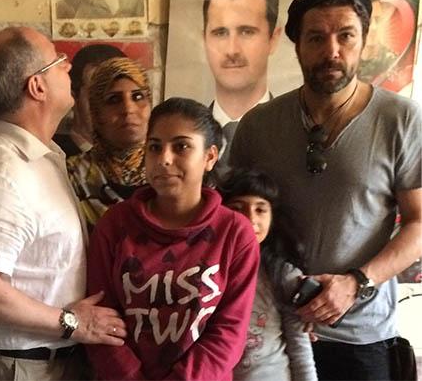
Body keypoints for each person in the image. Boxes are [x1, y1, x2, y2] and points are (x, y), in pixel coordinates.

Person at [230, 0, 422, 381]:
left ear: (364, 40)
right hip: (270, 334)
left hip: (361, 336)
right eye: (316, 37)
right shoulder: (257, 126)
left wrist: (356, 283)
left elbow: (419, 223)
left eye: (345, 36)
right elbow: (233, 225)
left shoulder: (401, 120)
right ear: (297, 45)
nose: (331, 51)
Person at [0, 27, 127, 381]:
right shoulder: (1, 174)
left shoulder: (40, 156)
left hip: (43, 362)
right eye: (59, 60)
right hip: (15, 368)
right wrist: (72, 322)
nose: (69, 66)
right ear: (37, 86)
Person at [86, 97, 260, 380]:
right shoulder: (115, 225)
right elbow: (100, 319)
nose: (164, 159)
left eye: (181, 147)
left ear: (210, 157)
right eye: (155, 147)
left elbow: (230, 330)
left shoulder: (235, 233)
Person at [218, 169, 317, 381]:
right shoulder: (206, 273)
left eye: (260, 209)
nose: (250, 218)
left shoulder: (283, 275)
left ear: (272, 218)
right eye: (237, 208)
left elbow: (300, 349)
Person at [202, 0, 282, 156]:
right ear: (204, 40)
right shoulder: (183, 140)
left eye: (247, 32)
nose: (232, 50)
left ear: (273, 39)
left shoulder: (297, 135)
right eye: (220, 33)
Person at [67, 57, 152, 232]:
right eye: (113, 100)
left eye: (138, 96)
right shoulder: (74, 175)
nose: (128, 109)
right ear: (96, 113)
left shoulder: (167, 167)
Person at [53, 44, 126, 157]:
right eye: (97, 93)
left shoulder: (143, 157)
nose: (109, 107)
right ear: (73, 97)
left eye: (116, 97)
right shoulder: (50, 155)